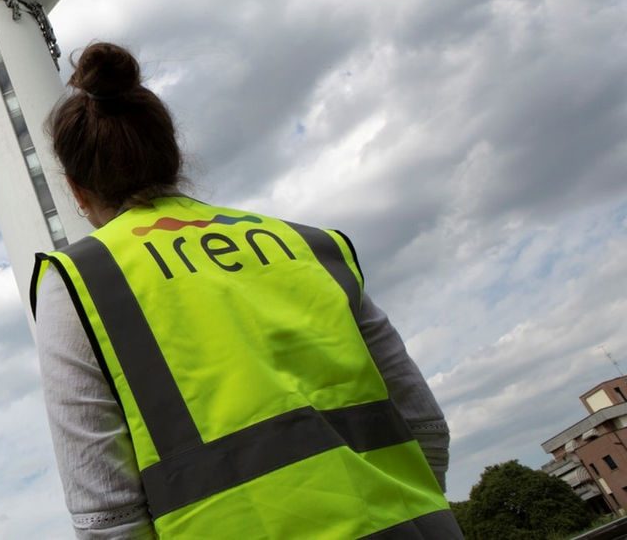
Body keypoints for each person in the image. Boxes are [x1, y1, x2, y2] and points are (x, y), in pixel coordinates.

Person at [31, 42, 460, 539]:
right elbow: (424, 424)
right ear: (172, 157)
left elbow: (107, 516)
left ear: (77, 190)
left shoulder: (79, 281)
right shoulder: (307, 244)